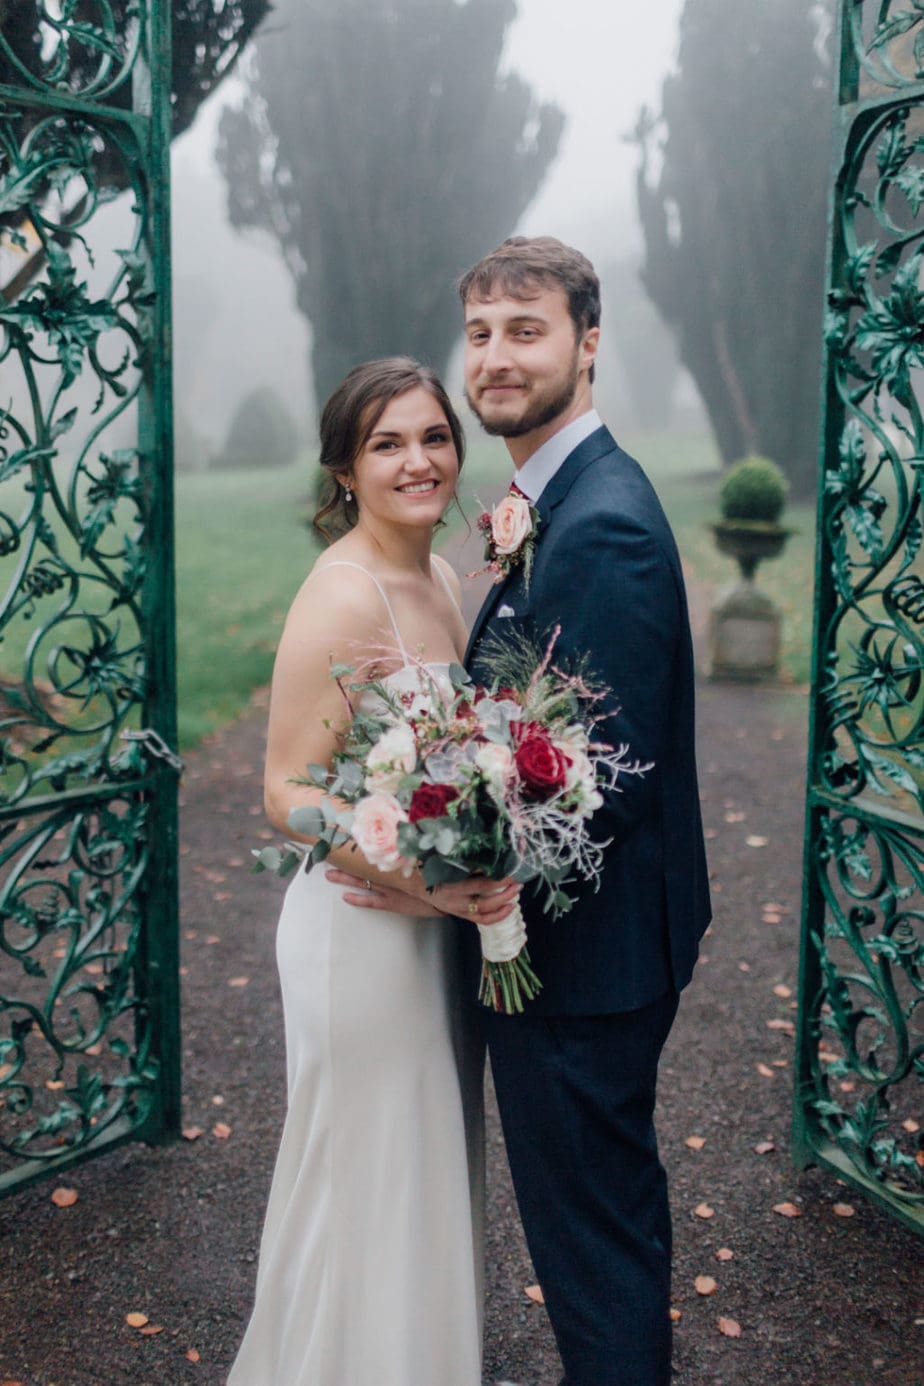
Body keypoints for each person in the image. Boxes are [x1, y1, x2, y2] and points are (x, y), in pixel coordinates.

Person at [332, 238, 711, 1385]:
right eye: (483, 333)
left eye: (527, 330)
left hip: (579, 966)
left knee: (591, 1242)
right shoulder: (554, 496)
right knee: (594, 1226)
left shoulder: (603, 522)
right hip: (568, 949)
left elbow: (614, 777)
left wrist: (457, 877)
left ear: (589, 345)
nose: (496, 359)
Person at [228, 357, 518, 1386]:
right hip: (361, 934)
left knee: (423, 1166)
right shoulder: (342, 592)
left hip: (432, 926)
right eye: (386, 444)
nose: (417, 460)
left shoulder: (440, 578)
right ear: (347, 470)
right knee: (369, 1174)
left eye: (433, 437)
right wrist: (414, 880)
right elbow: (287, 791)